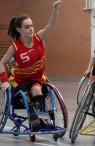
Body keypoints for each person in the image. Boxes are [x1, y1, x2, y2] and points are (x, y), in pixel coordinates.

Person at [0, 0, 62, 129]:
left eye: (32, 26)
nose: (31, 29)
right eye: (27, 27)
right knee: (26, 95)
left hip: (36, 78)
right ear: (19, 29)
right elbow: (2, 63)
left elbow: (51, 25)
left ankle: (39, 120)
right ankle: (35, 120)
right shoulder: (15, 46)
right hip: (19, 80)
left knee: (36, 90)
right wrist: (4, 81)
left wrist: (55, 11)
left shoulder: (39, 37)